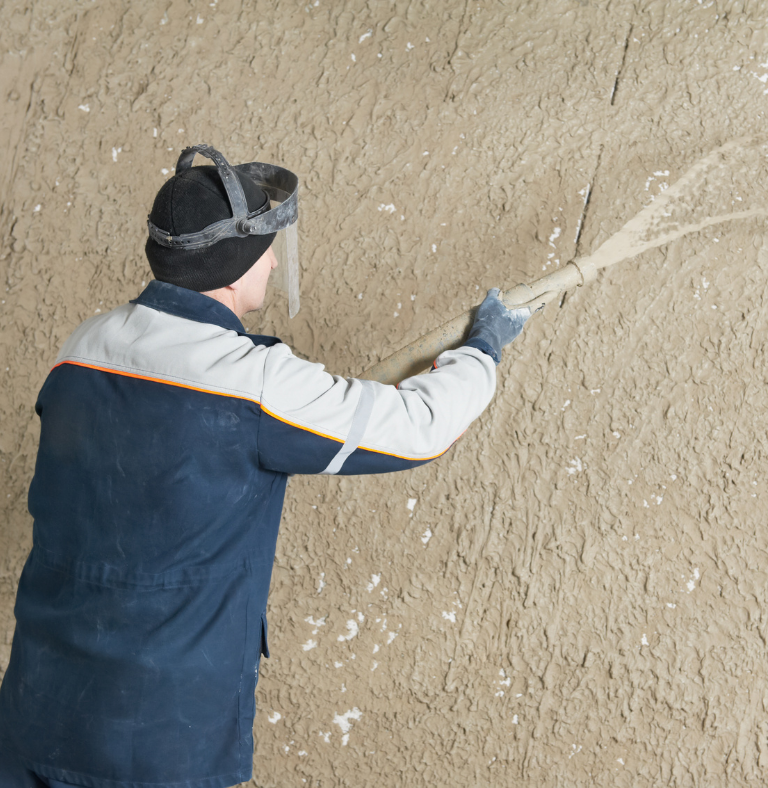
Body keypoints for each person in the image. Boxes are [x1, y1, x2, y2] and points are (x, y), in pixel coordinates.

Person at [0, 146, 530, 788]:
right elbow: (420, 430)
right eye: (266, 251)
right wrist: (482, 350)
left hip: (37, 703)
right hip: (158, 737)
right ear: (232, 268)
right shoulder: (253, 385)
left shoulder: (81, 348)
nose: (274, 261)